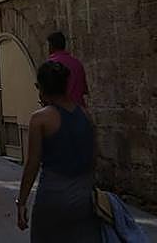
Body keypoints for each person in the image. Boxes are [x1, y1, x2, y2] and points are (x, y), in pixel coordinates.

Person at [14, 60, 102, 241]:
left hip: (52, 195)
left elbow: (32, 163)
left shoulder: (40, 119)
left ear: (41, 87)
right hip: (82, 196)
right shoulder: (85, 115)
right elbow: (93, 157)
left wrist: (21, 202)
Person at [46, 32, 89, 109]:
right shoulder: (77, 63)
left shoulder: (49, 65)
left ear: (51, 46)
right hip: (78, 110)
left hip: (59, 111)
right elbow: (84, 90)